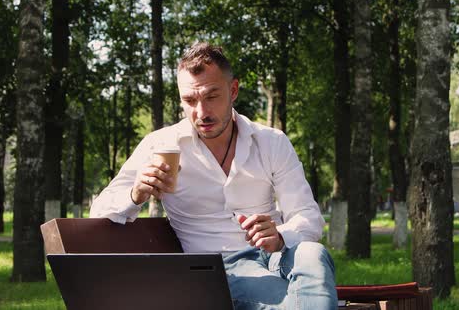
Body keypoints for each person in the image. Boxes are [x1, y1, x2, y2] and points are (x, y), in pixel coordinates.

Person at [90, 42, 337, 309]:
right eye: (190, 100)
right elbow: (99, 211)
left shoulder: (271, 142)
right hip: (220, 269)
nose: (201, 112)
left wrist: (279, 236)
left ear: (233, 91)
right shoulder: (161, 145)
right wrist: (135, 193)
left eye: (211, 97)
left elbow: (309, 218)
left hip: (278, 253)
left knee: (313, 253)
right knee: (285, 294)